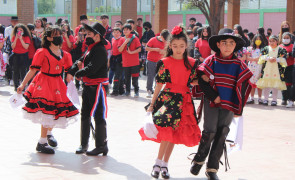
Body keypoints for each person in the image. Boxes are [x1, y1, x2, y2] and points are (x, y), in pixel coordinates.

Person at [139, 25, 201, 179]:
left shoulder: (192, 63)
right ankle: (157, 163)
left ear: (186, 45)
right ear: (170, 46)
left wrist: (208, 79)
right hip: (167, 100)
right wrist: (152, 104)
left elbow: (193, 81)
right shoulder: (165, 62)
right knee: (166, 133)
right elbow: (159, 84)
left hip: (184, 101)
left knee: (173, 134)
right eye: (175, 46)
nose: (178, 49)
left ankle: (164, 164)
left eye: (181, 46)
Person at [190, 28, 252, 180]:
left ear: (235, 45)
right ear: (218, 44)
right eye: (224, 42)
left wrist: (239, 107)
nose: (228, 46)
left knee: (222, 132)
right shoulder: (211, 60)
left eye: (231, 43)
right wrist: (214, 96)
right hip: (211, 101)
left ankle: (212, 169)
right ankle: (199, 159)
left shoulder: (239, 64)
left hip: (229, 104)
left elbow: (244, 86)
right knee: (209, 130)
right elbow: (202, 82)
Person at [16, 26, 79, 154]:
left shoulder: (65, 54)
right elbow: (33, 69)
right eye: (56, 35)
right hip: (44, 82)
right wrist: (23, 84)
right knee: (47, 111)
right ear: (49, 38)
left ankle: (49, 133)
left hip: (57, 83)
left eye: (60, 34)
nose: (59, 37)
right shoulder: (42, 52)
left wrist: (73, 75)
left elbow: (69, 70)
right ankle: (42, 142)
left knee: (56, 109)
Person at [67, 22, 109, 156]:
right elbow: (80, 60)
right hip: (88, 85)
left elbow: (92, 67)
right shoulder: (91, 48)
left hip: (98, 87)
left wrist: (78, 73)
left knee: (98, 116)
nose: (86, 36)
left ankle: (101, 145)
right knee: (85, 114)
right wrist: (72, 70)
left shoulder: (100, 50)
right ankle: (83, 144)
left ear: (97, 36)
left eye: (89, 34)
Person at [256, 35, 287, 106]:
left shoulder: (281, 50)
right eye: (270, 41)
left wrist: (277, 59)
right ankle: (266, 99)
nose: (271, 42)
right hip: (267, 70)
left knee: (275, 86)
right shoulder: (266, 49)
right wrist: (268, 58)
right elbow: (261, 57)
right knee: (267, 85)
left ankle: (274, 100)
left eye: (273, 41)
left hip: (276, 70)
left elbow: (284, 59)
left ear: (277, 41)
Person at [118, 24, 142, 97]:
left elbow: (139, 49)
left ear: (130, 30)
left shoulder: (135, 38)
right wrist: (125, 42)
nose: (125, 31)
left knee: (135, 78)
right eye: (124, 30)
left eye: (127, 29)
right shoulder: (121, 39)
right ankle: (127, 91)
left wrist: (131, 52)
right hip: (126, 63)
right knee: (127, 78)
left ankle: (136, 91)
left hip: (134, 62)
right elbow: (119, 50)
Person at [145, 29, 170, 98]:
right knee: (150, 76)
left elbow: (169, 51)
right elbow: (146, 48)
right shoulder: (153, 39)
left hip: (161, 62)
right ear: (161, 36)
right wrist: (155, 49)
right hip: (151, 60)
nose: (165, 41)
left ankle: (157, 91)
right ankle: (149, 90)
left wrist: (164, 52)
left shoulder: (167, 42)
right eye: (164, 39)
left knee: (159, 77)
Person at [11, 24, 31, 91]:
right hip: (16, 55)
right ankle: (16, 85)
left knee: (23, 71)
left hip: (24, 55)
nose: (19, 31)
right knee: (15, 71)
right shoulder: (14, 37)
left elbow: (26, 47)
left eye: (21, 30)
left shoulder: (26, 37)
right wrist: (16, 38)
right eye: (18, 30)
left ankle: (23, 86)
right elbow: (12, 46)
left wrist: (21, 39)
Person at [246, 34, 266, 104]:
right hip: (251, 68)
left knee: (259, 83)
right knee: (252, 83)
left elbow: (264, 60)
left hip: (259, 68)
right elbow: (247, 58)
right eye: (256, 39)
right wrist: (255, 59)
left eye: (259, 39)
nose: (258, 41)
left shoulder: (263, 49)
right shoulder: (250, 49)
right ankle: (252, 98)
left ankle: (260, 98)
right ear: (254, 40)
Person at [279, 32, 294, 107]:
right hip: (282, 67)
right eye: (284, 38)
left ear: (290, 39)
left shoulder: (292, 46)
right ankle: (284, 98)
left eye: (287, 38)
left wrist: (290, 54)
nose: (286, 39)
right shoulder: (280, 46)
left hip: (290, 67)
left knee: (289, 84)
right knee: (283, 83)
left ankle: (290, 99)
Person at [110, 27, 125, 96]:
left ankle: (115, 91)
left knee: (117, 75)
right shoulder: (112, 39)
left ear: (120, 33)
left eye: (117, 32)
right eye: (114, 32)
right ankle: (121, 90)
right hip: (114, 58)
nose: (116, 34)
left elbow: (123, 50)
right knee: (118, 75)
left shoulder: (122, 39)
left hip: (120, 58)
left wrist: (122, 59)